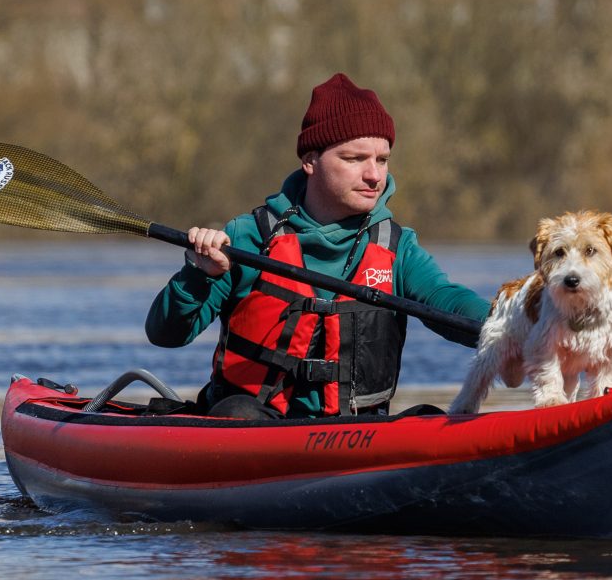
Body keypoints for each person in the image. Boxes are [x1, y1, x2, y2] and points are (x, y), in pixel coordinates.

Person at [145, 73, 489, 419]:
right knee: (238, 414)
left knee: (427, 417)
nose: (374, 175)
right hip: (250, 426)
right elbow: (165, 335)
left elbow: (451, 302)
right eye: (355, 159)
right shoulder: (248, 238)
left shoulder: (398, 249)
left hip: (358, 436)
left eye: (382, 160)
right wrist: (197, 274)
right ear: (310, 160)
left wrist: (516, 325)